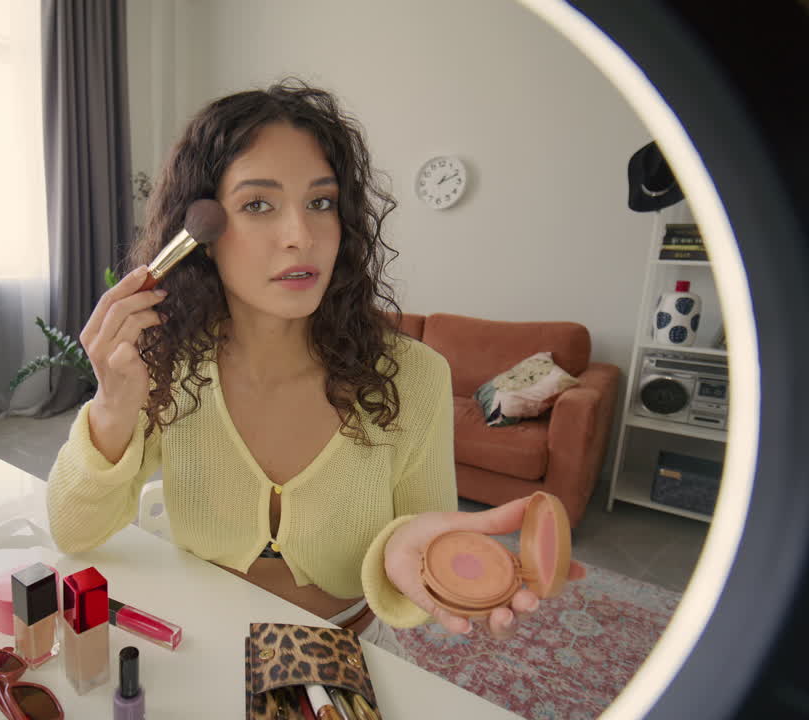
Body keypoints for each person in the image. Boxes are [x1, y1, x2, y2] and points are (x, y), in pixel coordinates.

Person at [45, 79, 581, 657]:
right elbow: (74, 531)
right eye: (258, 205)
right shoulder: (171, 368)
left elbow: (418, 536)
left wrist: (417, 559)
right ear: (202, 235)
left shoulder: (414, 377)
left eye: (321, 203)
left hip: (350, 646)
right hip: (201, 642)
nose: (300, 236)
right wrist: (112, 407)